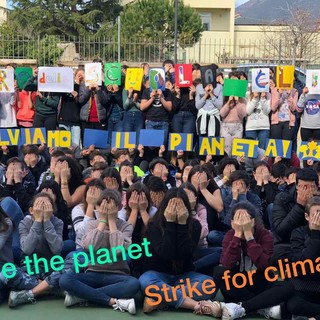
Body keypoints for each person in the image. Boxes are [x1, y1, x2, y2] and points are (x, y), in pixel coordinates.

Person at [139, 188, 220, 316]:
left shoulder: (194, 226)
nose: (176, 209)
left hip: (184, 276)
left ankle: (162, 299)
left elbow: (184, 254)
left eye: (180, 205)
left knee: (210, 285)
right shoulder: (153, 225)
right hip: (157, 274)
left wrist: (182, 224)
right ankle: (194, 305)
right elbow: (166, 254)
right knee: (145, 282)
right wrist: (170, 223)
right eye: (172, 205)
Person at [59, 189, 140, 314]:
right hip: (93, 272)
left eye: (111, 206)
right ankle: (112, 301)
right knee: (65, 279)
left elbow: (118, 250)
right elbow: (89, 246)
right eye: (103, 206)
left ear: (119, 208)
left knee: (133, 284)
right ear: (98, 207)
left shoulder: (126, 226)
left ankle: (82, 296)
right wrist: (102, 221)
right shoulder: (91, 225)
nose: (107, 209)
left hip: (117, 274)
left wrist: (112, 221)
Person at [213, 202, 293, 320]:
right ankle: (261, 307)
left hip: (260, 280)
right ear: (232, 223)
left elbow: (264, 265)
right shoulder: (230, 236)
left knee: (288, 286)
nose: (241, 223)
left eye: (245, 219)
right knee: (219, 272)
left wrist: (249, 237)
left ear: (253, 221)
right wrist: (238, 235)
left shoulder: (265, 235)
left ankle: (244, 307)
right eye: (238, 219)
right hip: (238, 285)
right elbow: (226, 263)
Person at [5, 193, 64, 307]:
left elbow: (56, 249)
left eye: (46, 206)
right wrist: (37, 222)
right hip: (30, 268)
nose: (42, 209)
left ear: (52, 209)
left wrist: (47, 221)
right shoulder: (24, 223)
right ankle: (51, 288)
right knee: (6, 273)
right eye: (38, 205)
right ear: (31, 210)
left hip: (52, 267)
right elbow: (27, 249)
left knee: (75, 264)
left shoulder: (57, 222)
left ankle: (34, 290)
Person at [272, 167, 318, 261]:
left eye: (310, 187)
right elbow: (281, 231)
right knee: (277, 252)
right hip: (291, 241)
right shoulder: (283, 198)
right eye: (303, 187)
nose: (306, 190)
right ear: (296, 185)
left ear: (317, 187)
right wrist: (300, 206)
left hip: (315, 236)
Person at [287, 196, 320, 319]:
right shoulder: (298, 233)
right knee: (294, 305)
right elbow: (302, 267)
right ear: (307, 217)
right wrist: (316, 234)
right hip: (304, 284)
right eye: (316, 215)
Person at [180, 183, 222, 274]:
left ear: (195, 198)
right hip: (185, 250)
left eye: (190, 196)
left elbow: (204, 232)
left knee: (222, 252)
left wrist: (192, 211)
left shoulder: (200, 208)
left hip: (200, 248)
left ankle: (193, 268)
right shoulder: (177, 210)